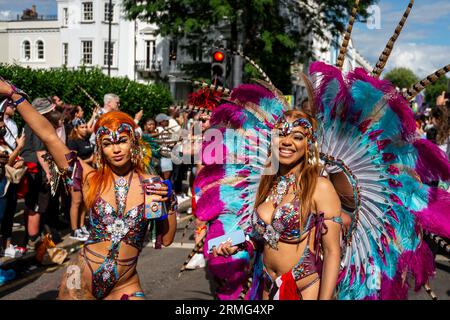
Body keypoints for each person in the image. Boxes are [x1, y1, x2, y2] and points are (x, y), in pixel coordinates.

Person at [0, 77, 178, 299]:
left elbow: (168, 239)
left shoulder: (152, 185)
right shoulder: (89, 177)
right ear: (100, 149)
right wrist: (14, 95)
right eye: (107, 144)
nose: (116, 149)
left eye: (121, 140)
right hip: (80, 276)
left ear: (133, 142)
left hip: (126, 284)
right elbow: (48, 135)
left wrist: (170, 204)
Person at [213, 110, 342, 300]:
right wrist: (238, 245)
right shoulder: (268, 182)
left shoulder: (319, 186)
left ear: (309, 144)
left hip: (302, 289)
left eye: (297, 137)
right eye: (281, 134)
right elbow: (262, 237)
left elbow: (332, 251)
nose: (286, 142)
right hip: (267, 286)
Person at [67, 118, 94, 241]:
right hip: (76, 173)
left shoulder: (86, 139)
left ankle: (82, 225)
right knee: (76, 202)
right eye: (81, 127)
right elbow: (72, 160)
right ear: (76, 128)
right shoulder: (73, 141)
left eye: (85, 127)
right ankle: (74, 230)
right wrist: (89, 160)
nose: (84, 129)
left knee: (85, 201)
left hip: (87, 173)